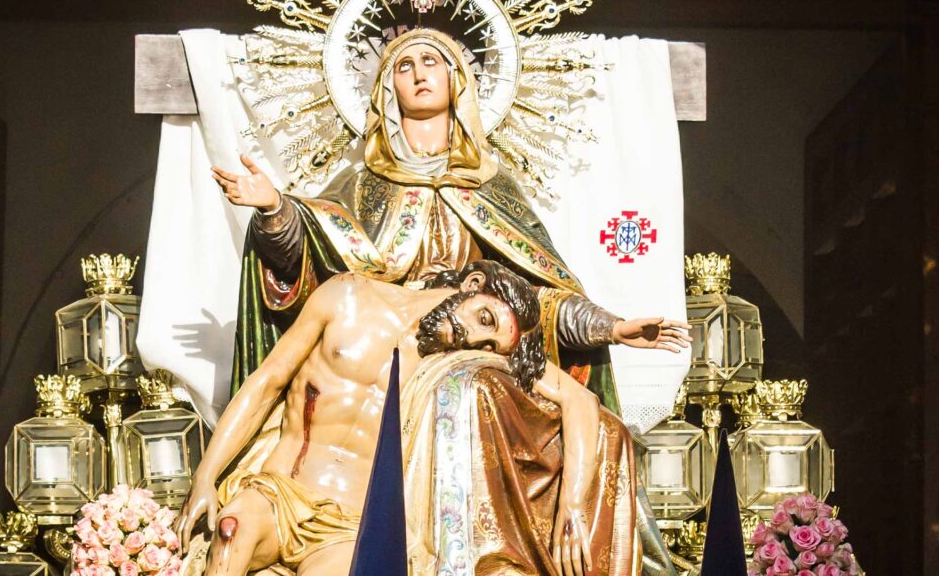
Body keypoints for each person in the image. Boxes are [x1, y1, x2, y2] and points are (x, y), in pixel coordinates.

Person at [211, 28, 690, 407]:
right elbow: (306, 260)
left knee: (567, 415)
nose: (418, 74)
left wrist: (609, 327)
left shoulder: (491, 188)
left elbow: (531, 297)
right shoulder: (361, 185)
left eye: (431, 61)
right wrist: (275, 209)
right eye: (403, 66)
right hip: (383, 345)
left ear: (456, 79)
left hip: (473, 349)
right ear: (388, 91)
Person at [175, 261, 638, 575]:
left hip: (350, 522)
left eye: (488, 345)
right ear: (472, 285)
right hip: (279, 490)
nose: (474, 341)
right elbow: (267, 381)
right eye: (484, 319)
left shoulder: (454, 363)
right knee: (231, 532)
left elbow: (579, 399)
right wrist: (205, 476)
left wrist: (572, 505)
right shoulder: (348, 296)